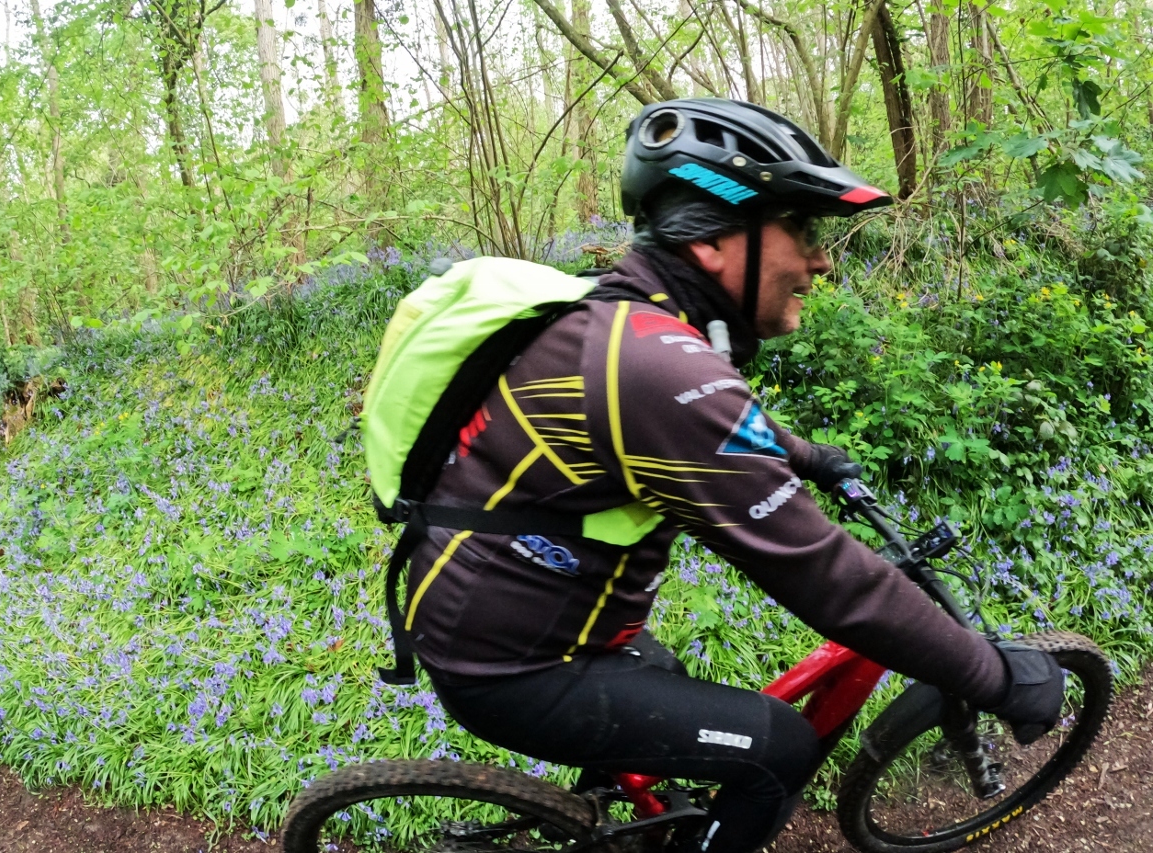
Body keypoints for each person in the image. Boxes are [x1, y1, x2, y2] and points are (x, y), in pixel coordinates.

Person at [400, 99, 1063, 853]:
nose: (821, 260)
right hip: (510, 665)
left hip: (502, 607)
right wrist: (997, 677)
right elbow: (829, 579)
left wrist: (806, 455)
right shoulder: (653, 368)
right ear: (715, 239)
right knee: (776, 751)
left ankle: (612, 823)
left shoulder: (623, 321)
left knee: (668, 686)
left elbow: (698, 420)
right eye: (802, 230)